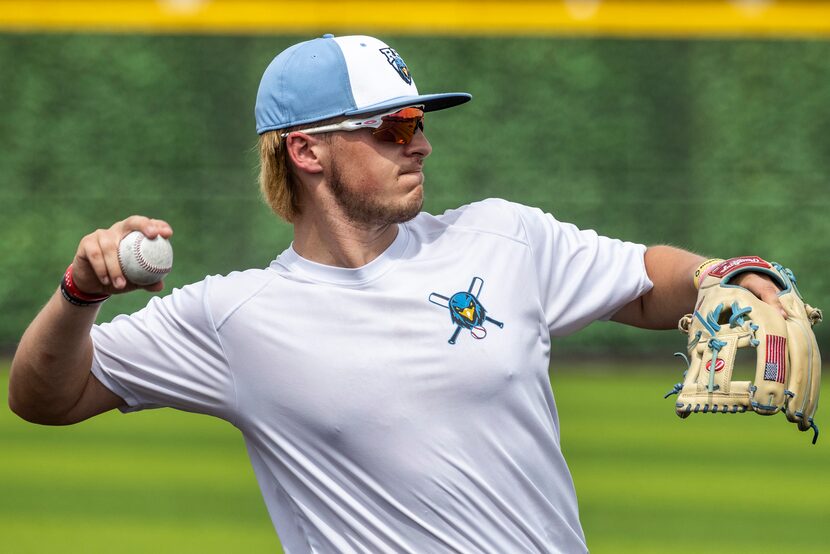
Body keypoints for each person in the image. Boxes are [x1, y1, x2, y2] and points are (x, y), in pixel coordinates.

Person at [9, 34, 784, 553]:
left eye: (419, 120)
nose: (420, 141)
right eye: (392, 125)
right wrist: (78, 293)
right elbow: (45, 397)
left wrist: (727, 273)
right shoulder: (232, 317)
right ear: (307, 150)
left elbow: (651, 281)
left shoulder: (500, 237)